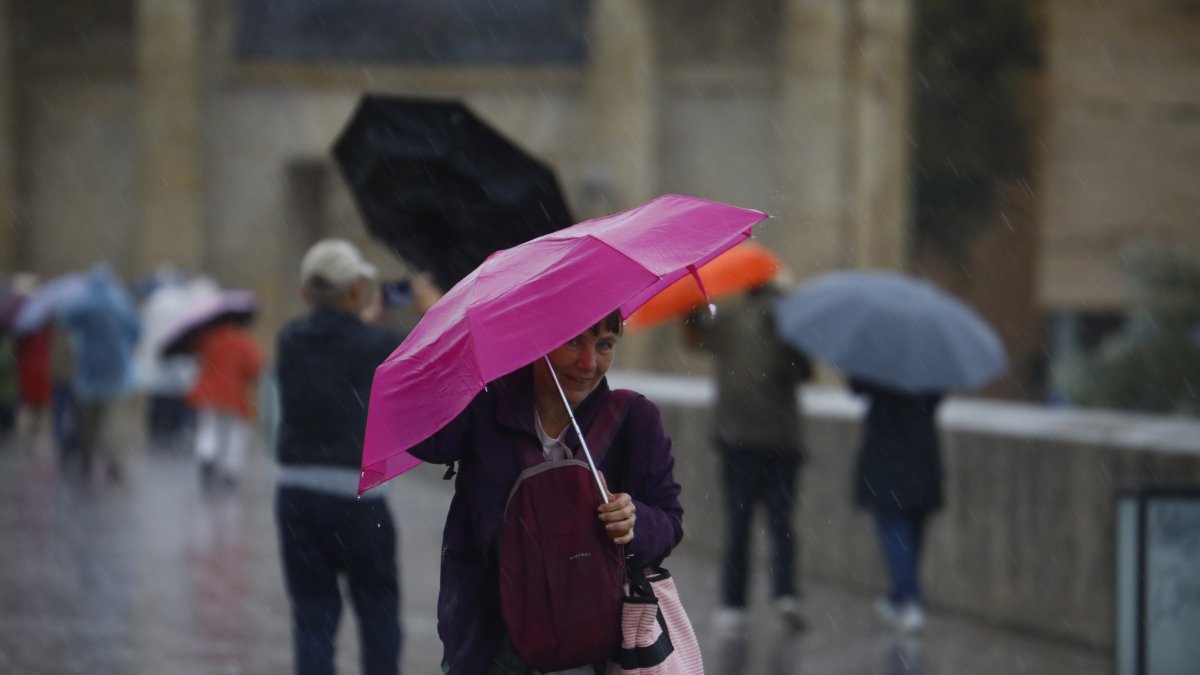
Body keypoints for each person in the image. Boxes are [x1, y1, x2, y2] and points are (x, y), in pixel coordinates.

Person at [410, 309, 684, 674]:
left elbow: (669, 522)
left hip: (587, 642)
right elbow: (427, 441)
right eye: (573, 342)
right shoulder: (486, 403)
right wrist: (459, 355)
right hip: (486, 639)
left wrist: (634, 522)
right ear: (538, 339)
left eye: (605, 345)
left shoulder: (633, 419)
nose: (588, 363)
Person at [274, 238, 404, 675]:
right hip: (359, 498)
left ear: (305, 292)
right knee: (378, 610)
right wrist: (429, 305)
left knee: (313, 615)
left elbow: (331, 343)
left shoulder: (290, 339)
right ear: (354, 290)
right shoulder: (379, 343)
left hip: (297, 492)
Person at [683, 284, 813, 633]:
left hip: (738, 438)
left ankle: (733, 604)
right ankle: (785, 593)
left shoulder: (730, 321)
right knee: (781, 521)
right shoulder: (791, 323)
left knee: (738, 524)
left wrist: (690, 306)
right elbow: (803, 373)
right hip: (782, 439)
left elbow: (696, 339)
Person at [849, 377, 945, 633]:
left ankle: (909, 599)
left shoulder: (879, 364)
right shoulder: (930, 365)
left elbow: (856, 386)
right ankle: (897, 595)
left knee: (893, 525)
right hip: (922, 450)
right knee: (913, 526)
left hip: (887, 452)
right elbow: (938, 395)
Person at [58, 263, 140, 482]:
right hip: (117, 371)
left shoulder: (87, 301)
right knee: (112, 421)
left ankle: (86, 460)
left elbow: (65, 319)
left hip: (89, 371)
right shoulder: (121, 301)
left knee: (88, 421)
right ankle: (113, 463)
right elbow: (136, 330)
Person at [187, 305, 264, 490]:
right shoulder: (243, 342)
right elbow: (255, 367)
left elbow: (197, 356)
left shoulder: (208, 338)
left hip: (208, 393)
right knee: (234, 434)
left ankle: (206, 456)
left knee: (209, 427)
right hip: (233, 394)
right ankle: (231, 470)